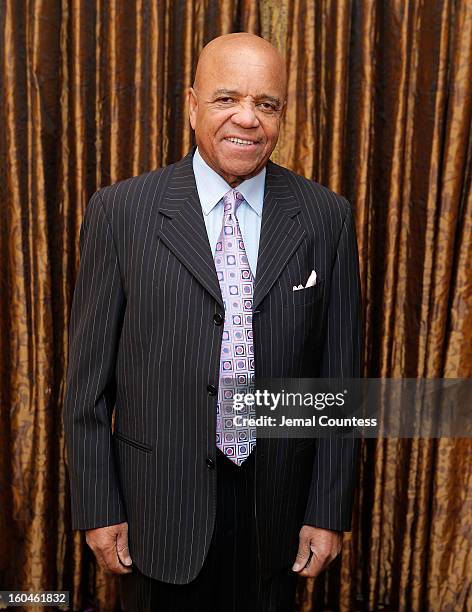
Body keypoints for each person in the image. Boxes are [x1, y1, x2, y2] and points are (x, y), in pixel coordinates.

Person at [63, 32, 363, 612]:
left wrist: (326, 511)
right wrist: (99, 508)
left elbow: (339, 382)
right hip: (156, 514)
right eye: (227, 99)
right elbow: (85, 388)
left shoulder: (326, 217)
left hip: (275, 515)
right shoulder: (120, 212)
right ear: (191, 105)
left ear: (282, 114)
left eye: (266, 104)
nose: (247, 119)